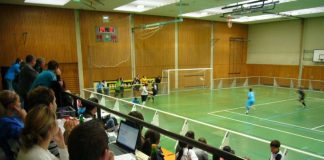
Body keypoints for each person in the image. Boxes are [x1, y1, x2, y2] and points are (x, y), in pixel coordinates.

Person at [26, 87, 61, 157]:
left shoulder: (32, 125)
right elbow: (58, 156)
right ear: (50, 106)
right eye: (55, 101)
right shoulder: (45, 133)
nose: (56, 105)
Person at [0, 90, 27, 160]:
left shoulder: (13, 117)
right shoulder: (6, 123)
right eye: (18, 102)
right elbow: (28, 136)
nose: (20, 104)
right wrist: (26, 118)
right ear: (12, 106)